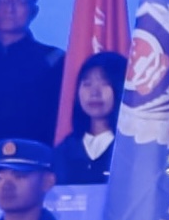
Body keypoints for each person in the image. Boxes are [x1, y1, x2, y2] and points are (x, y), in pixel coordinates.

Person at [0, 0, 63, 150]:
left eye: (20, 1)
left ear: (34, 11)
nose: (10, 9)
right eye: (2, 1)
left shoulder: (54, 60)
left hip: (37, 159)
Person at [46, 54, 122, 188]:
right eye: (87, 84)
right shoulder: (64, 151)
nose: (94, 93)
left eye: (105, 83)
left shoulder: (133, 148)